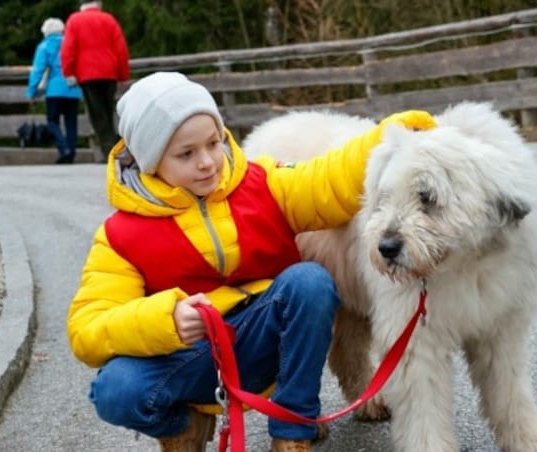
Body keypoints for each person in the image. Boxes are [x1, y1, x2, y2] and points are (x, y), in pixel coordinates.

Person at [66, 72, 436, 451]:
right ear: (149, 159)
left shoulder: (261, 184)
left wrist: (388, 134)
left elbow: (328, 179)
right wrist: (166, 319)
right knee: (116, 389)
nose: (208, 162)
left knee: (309, 281)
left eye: (213, 143)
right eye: (187, 153)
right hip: (187, 358)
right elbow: (88, 328)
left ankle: (293, 427)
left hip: (262, 339)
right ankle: (182, 424)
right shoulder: (119, 236)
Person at [61, 1, 130, 162]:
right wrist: (123, 74)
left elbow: (68, 48)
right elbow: (121, 48)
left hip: (87, 74)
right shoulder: (108, 19)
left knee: (97, 115)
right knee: (110, 111)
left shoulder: (74, 20)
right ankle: (118, 149)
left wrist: (68, 72)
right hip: (109, 72)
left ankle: (109, 152)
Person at [27, 18, 83, 164]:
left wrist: (31, 92)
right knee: (71, 123)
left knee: (52, 121)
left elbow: (38, 71)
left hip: (54, 90)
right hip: (73, 89)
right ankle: (71, 151)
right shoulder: (71, 44)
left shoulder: (44, 47)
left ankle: (63, 148)